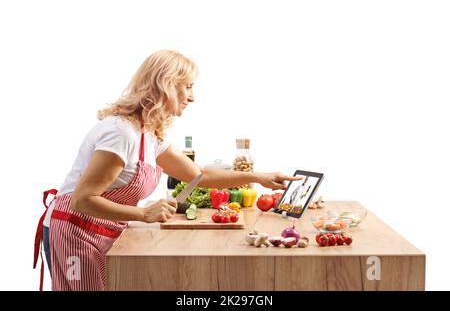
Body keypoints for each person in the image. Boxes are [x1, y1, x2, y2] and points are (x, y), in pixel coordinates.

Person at [33, 49, 301, 291]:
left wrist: (258, 176)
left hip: (104, 231)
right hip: (76, 232)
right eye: (188, 87)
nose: (193, 97)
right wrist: (143, 213)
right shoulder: (121, 133)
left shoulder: (149, 134)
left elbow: (200, 176)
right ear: (166, 85)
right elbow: (82, 200)